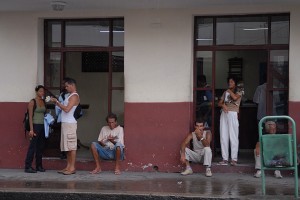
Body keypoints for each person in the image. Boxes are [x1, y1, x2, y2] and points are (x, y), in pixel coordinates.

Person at [51, 78, 80, 175]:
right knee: (67, 147)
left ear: (72, 85)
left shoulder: (74, 96)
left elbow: (67, 109)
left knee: (72, 146)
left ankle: (72, 168)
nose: (66, 88)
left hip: (70, 124)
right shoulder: (69, 96)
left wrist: (57, 103)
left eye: (67, 86)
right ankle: (68, 166)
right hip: (65, 123)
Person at [218, 76, 242, 166]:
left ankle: (234, 159)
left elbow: (235, 98)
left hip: (233, 113)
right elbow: (219, 102)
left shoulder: (240, 91)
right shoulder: (225, 92)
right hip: (224, 114)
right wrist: (223, 105)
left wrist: (229, 91)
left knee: (233, 136)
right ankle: (225, 159)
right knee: (223, 136)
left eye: (232, 82)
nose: (230, 83)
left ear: (235, 83)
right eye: (229, 82)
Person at [24, 85, 47, 173]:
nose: (42, 93)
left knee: (40, 147)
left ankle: (39, 166)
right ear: (36, 92)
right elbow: (30, 116)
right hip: (35, 125)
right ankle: (28, 166)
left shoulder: (43, 101)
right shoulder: (32, 102)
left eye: (43, 91)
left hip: (42, 125)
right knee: (32, 146)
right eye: (40, 91)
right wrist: (31, 129)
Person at [55, 78, 70, 159]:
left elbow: (58, 108)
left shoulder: (63, 95)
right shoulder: (71, 95)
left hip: (62, 118)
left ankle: (63, 152)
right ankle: (65, 152)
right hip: (69, 119)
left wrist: (57, 115)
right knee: (67, 137)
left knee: (63, 136)